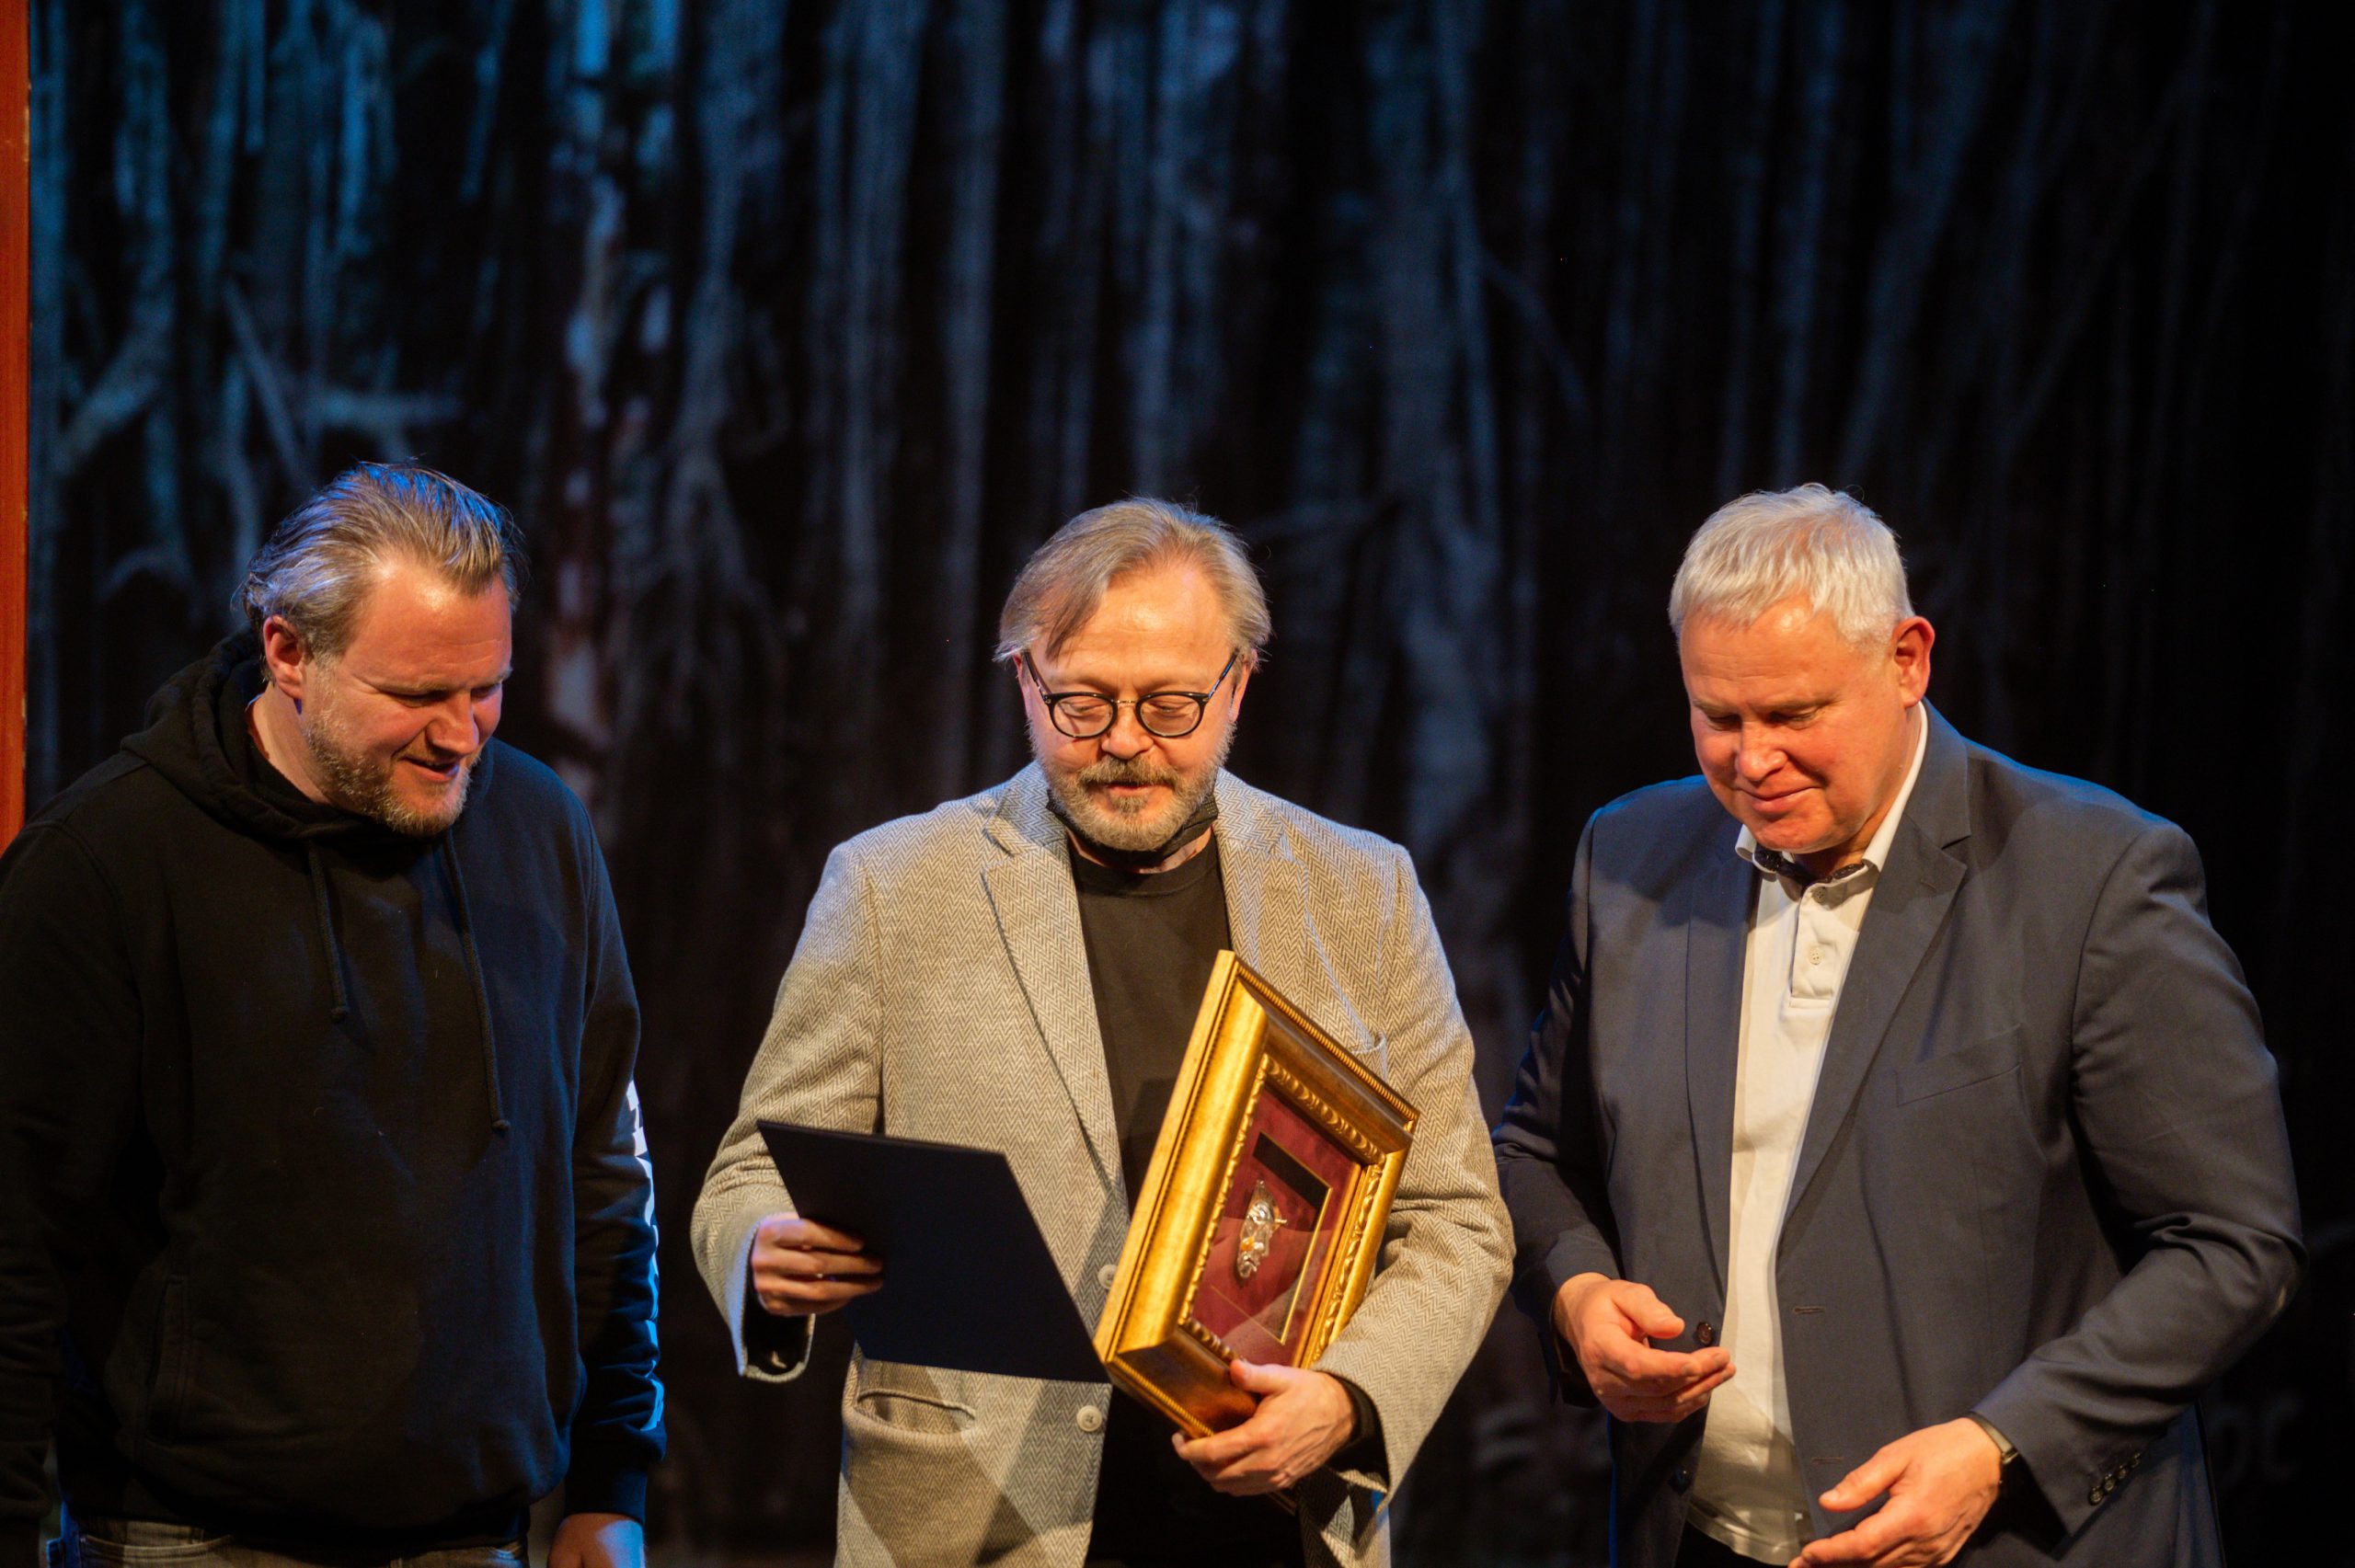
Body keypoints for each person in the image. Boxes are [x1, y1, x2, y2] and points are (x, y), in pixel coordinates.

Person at [1491, 485, 2301, 1568]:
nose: (1751, 760)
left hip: (2008, 1544)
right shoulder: (1630, 858)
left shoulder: (2092, 876)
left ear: (1908, 659)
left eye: (1793, 715)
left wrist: (2003, 1444)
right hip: (1699, 1538)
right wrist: (1577, 1294)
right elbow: (1534, 1154)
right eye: (1718, 717)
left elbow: (2232, 1244)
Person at [692, 498, 1509, 1567]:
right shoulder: (894, 885)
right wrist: (762, 1243)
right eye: (1080, 703)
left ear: (1238, 685)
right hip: (974, 1523)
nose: (1124, 742)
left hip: (1270, 1527)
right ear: (1024, 682)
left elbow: (1456, 1217)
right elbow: (752, 1169)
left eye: (1170, 704)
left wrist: (1351, 1398)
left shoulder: (1363, 891)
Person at [0, 465, 664, 1567]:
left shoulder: (541, 832)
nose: (461, 735)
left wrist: (610, 1481)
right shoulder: (104, 865)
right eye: (418, 693)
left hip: (476, 1535)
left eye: (487, 686)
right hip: (190, 1536)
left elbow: (603, 1177)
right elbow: (14, 1245)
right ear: (288, 652)